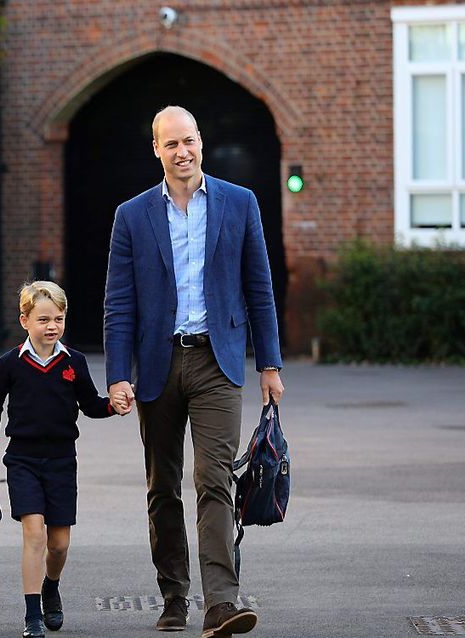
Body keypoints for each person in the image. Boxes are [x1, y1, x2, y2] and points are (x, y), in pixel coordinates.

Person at [103, 106, 285, 637]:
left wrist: (269, 363)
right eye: (171, 144)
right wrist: (118, 374)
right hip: (157, 364)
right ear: (155, 150)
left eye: (189, 141)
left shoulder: (239, 203)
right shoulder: (132, 216)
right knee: (163, 486)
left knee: (214, 481)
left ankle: (221, 603)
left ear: (200, 142)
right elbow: (119, 304)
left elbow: (260, 289)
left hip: (217, 361)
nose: (182, 152)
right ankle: (174, 594)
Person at [0, 281, 121, 638]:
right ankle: (32, 614)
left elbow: (90, 404)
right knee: (33, 533)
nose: (51, 326)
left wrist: (112, 406)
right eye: (42, 319)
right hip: (22, 459)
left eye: (58, 318)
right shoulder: (11, 364)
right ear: (24, 320)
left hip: (61, 461)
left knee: (59, 544)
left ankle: (51, 585)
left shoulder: (74, 363)